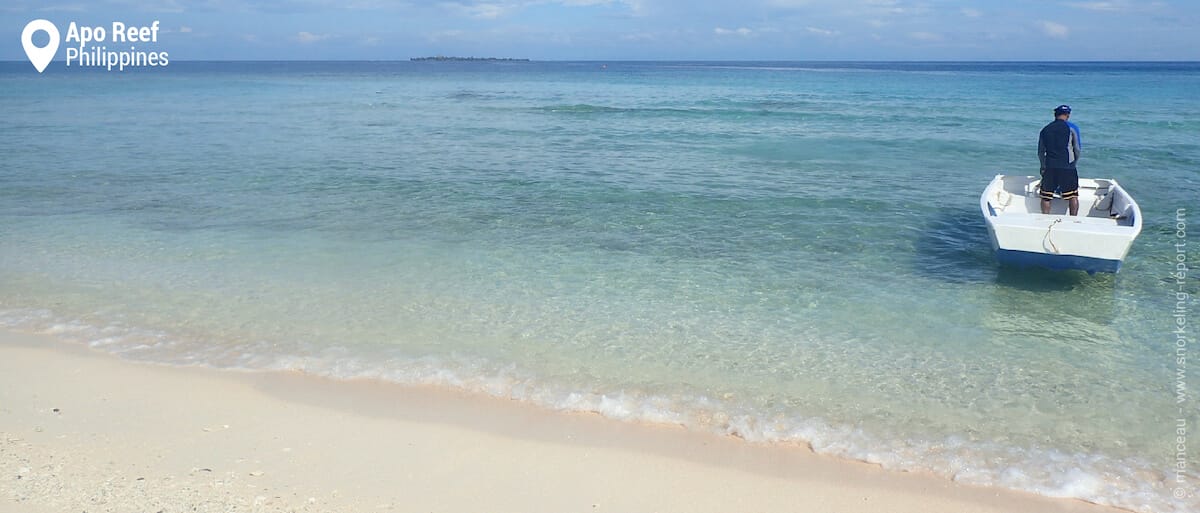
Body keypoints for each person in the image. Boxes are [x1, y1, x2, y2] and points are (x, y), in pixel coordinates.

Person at [1038, 104, 1081, 215]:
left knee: (1046, 196)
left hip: (1050, 166)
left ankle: (1045, 218)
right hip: (1067, 166)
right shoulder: (1072, 128)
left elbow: (1041, 152)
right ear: (1067, 115)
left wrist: (1043, 166)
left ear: (1055, 115)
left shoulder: (1045, 129)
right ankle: (1073, 219)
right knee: (1072, 196)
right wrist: (1074, 163)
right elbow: (1077, 149)